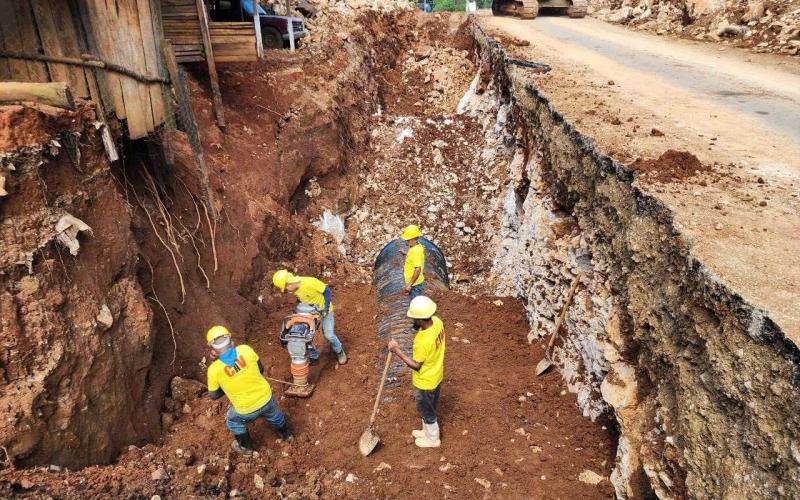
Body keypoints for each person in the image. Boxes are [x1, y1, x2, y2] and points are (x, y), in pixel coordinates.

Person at [205, 325, 292, 454]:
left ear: (213, 352)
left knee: (233, 421)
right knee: (274, 415)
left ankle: (246, 447)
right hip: (266, 398)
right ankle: (286, 435)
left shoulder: (214, 370)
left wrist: (227, 384)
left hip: (245, 409)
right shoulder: (245, 349)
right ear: (231, 343)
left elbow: (213, 395)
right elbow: (260, 369)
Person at [387, 296, 446, 448]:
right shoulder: (438, 322)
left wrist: (397, 351)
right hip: (436, 375)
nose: (412, 320)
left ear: (420, 320)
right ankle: (426, 432)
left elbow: (416, 366)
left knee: (427, 411)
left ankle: (433, 440)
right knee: (428, 407)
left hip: (425, 382)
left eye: (413, 318)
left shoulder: (422, 341)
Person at [272, 270, 347, 364]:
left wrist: (326, 308)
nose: (286, 291)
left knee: (329, 335)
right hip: (309, 312)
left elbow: (327, 291)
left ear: (289, 283)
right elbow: (301, 299)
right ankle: (313, 356)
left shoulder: (310, 282)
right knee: (307, 335)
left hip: (324, 310)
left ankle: (339, 351)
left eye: (286, 288)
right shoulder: (294, 290)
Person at [400, 224, 425, 299]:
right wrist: (405, 253)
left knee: (416, 301)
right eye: (406, 240)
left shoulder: (416, 251)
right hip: (414, 283)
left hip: (415, 284)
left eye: (408, 240)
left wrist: (409, 285)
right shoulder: (415, 246)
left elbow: (418, 269)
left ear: (415, 239)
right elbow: (413, 258)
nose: (406, 242)